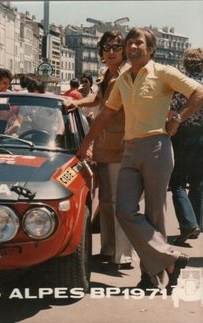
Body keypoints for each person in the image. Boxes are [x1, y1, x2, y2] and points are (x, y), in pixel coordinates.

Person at [76, 27, 203, 292]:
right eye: (130, 43)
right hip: (129, 149)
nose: (133, 47)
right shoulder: (123, 79)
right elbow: (106, 114)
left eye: (139, 43)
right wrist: (85, 145)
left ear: (151, 48)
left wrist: (178, 119)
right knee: (123, 210)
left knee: (155, 215)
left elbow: (198, 93)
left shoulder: (163, 73)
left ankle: (151, 277)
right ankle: (170, 259)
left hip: (157, 146)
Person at [66, 31, 135, 270]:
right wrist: (76, 102)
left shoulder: (126, 75)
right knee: (106, 201)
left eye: (117, 47)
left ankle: (122, 255)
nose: (112, 52)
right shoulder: (108, 73)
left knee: (119, 202)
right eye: (107, 48)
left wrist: (87, 142)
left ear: (124, 50)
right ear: (101, 51)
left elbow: (108, 112)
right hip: (106, 145)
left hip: (120, 145)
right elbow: (97, 99)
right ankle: (109, 249)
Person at [168, 48, 203, 244]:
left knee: (178, 182)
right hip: (202, 135)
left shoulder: (181, 84)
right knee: (198, 182)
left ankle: (189, 224)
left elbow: (172, 111)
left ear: (185, 64)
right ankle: (196, 223)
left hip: (183, 135)